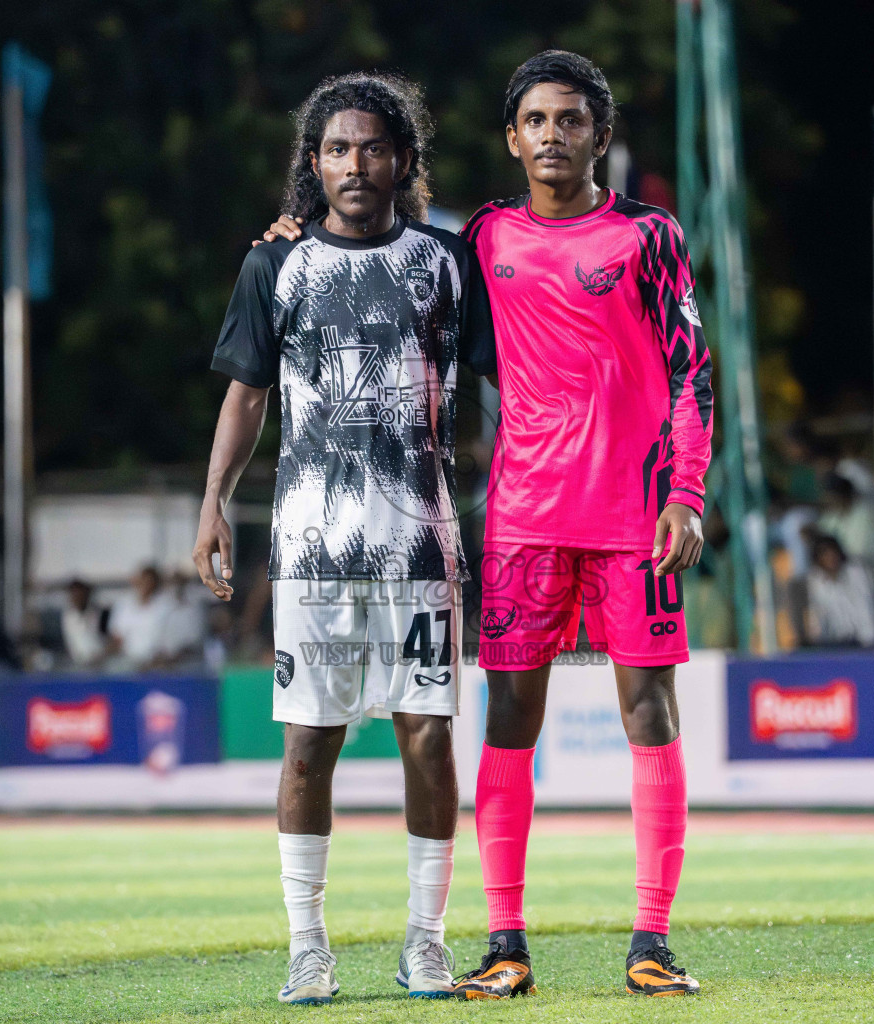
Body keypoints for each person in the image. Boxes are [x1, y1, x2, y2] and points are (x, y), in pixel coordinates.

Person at [266, 53, 711, 997]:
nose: (553, 135)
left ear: (602, 133)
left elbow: (690, 371)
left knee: (650, 713)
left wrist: (687, 492)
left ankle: (653, 940)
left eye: (572, 120)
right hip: (519, 523)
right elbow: (377, 248)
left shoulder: (650, 236)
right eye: (536, 121)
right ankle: (504, 940)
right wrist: (298, 227)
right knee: (509, 721)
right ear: (512, 139)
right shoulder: (481, 241)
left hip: (636, 515)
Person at [193, 72, 497, 1004]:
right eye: (336, 149)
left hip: (419, 549)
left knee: (427, 741)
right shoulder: (272, 266)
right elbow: (246, 394)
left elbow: (499, 393)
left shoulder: (448, 262)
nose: (355, 164)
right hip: (314, 550)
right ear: (313, 164)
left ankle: (425, 941)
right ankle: (308, 947)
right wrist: (212, 502)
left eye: (372, 147)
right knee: (308, 747)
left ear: (403, 159)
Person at [802, 535, 874, 647]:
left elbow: (865, 608)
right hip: (834, 644)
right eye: (824, 554)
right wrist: (816, 642)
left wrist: (869, 643)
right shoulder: (815, 580)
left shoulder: (856, 573)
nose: (830, 557)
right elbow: (817, 616)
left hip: (862, 642)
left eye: (833, 552)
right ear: (817, 558)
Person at [817, 474, 874, 590]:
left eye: (833, 496)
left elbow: (859, 555)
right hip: (840, 573)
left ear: (844, 496)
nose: (829, 500)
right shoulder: (830, 518)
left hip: (868, 574)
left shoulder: (865, 516)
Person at [107, 566, 177, 671]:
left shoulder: (166, 606)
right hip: (129, 660)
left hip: (157, 661)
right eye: (143, 580)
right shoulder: (124, 605)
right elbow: (117, 638)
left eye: (150, 581)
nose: (146, 584)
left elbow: (170, 640)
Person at [60, 579, 109, 667]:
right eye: (74, 595)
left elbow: (110, 641)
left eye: (80, 595)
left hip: (101, 663)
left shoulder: (102, 614)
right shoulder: (67, 616)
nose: (77, 598)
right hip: (78, 663)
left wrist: (100, 656)